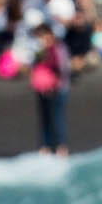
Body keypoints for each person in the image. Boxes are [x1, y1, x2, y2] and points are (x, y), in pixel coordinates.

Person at [29, 20, 71, 156]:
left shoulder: (58, 48)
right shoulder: (39, 50)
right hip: (42, 89)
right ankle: (45, 147)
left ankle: (61, 147)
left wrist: (55, 85)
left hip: (58, 89)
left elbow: (63, 69)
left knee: (57, 118)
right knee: (44, 118)